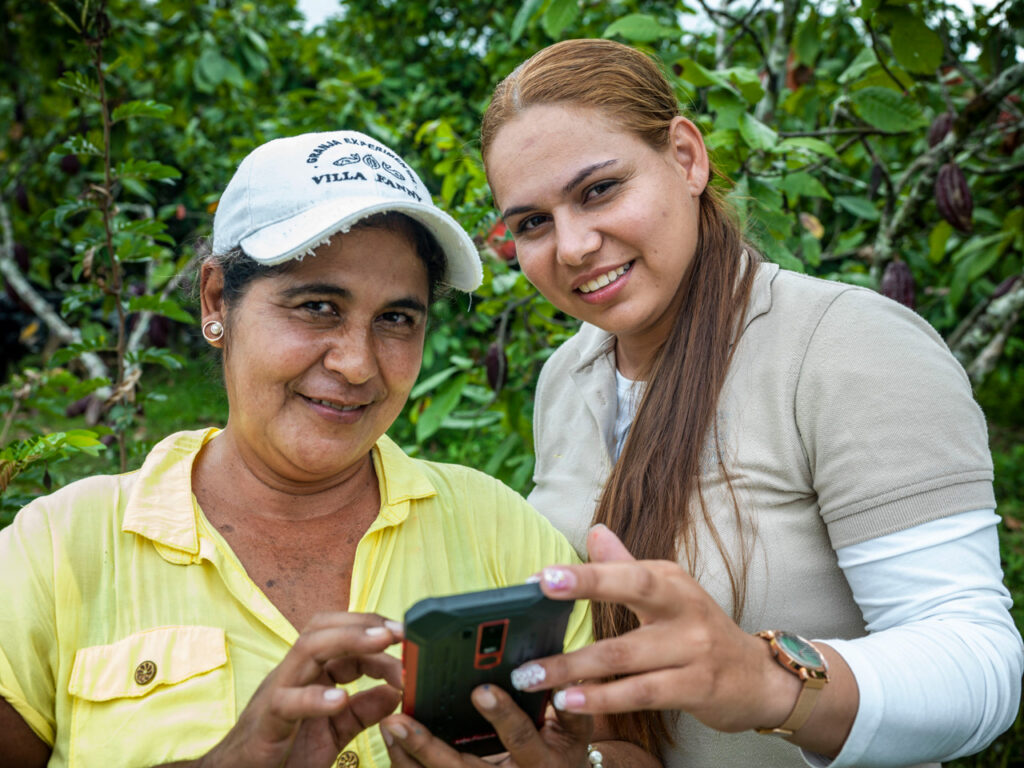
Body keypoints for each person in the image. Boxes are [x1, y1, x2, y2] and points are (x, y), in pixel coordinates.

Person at [471, 38, 1024, 768]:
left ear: (686, 157)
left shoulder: (842, 345)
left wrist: (770, 683)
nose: (572, 246)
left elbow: (980, 665)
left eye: (599, 190)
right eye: (533, 223)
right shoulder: (567, 378)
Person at [0, 130, 612, 768]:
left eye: (397, 319)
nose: (356, 364)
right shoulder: (58, 548)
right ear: (217, 300)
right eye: (317, 306)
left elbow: (617, 745)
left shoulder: (503, 534)